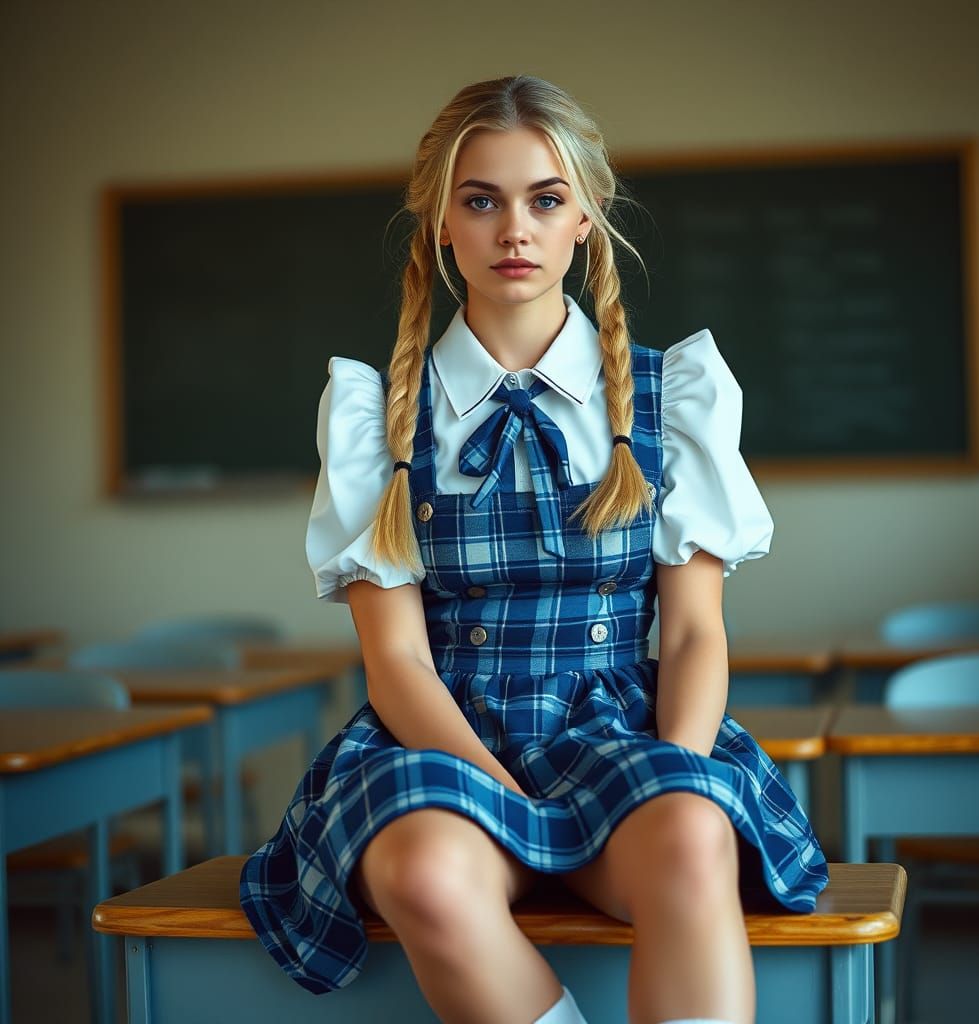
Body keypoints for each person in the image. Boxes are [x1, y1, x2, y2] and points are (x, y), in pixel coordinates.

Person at [240, 75, 828, 1024]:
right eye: (481, 201)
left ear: (586, 218)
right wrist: (504, 795)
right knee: (428, 871)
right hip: (443, 741)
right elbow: (395, 658)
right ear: (441, 224)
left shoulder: (670, 396)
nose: (514, 229)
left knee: (689, 833)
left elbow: (690, 637)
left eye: (544, 200)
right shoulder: (375, 417)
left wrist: (667, 777)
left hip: (618, 731)